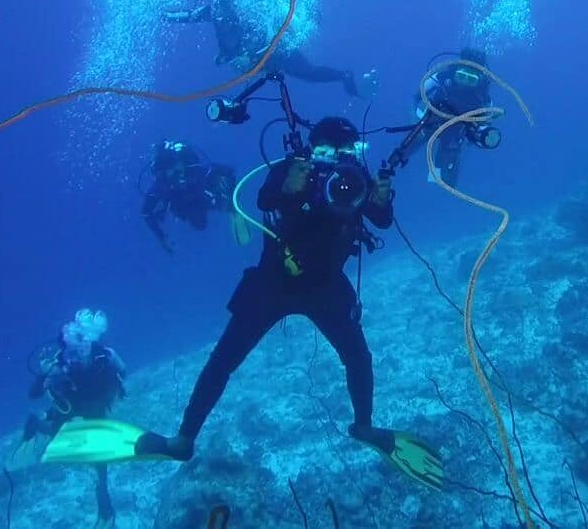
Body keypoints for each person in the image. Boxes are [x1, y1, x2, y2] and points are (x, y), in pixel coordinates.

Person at [41, 118, 443, 490]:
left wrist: (382, 199)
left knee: (358, 357)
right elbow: (262, 199)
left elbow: (380, 220)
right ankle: (183, 439)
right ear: (312, 148)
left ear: (354, 153)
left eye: (342, 153)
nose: (332, 162)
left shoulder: (356, 176)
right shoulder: (293, 167)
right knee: (224, 359)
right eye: (324, 152)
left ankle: (364, 427)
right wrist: (289, 186)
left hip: (324, 287)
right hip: (273, 282)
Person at [13, 310, 127, 529]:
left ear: (93, 340)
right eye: (74, 349)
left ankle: (105, 510)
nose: (79, 354)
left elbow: (124, 372)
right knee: (58, 436)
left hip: (95, 410)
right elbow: (33, 394)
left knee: (99, 456)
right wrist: (42, 375)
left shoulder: (106, 355)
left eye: (84, 347)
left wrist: (117, 387)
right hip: (68, 409)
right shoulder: (60, 363)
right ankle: (34, 424)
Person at [166, 0, 362, 97]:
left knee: (308, 73)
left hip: (277, 50)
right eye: (220, 14)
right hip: (252, 58)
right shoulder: (215, 11)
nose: (222, 18)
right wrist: (168, 17)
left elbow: (266, 40)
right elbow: (190, 16)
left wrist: (249, 56)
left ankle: (343, 75)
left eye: (227, 15)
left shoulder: (247, 18)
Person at [402, 47, 499, 187]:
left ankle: (437, 196)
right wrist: (415, 118)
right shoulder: (442, 77)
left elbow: (484, 126)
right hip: (430, 123)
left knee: (447, 181)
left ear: (479, 79)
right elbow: (414, 97)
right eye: (461, 76)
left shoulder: (483, 96)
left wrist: (481, 137)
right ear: (455, 71)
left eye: (471, 79)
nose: (464, 83)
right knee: (402, 152)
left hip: (455, 134)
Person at [142, 140, 246, 253]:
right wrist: (162, 238)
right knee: (200, 225)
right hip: (184, 205)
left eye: (178, 171)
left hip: (201, 193)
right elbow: (146, 212)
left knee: (217, 200)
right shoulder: (160, 186)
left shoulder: (196, 170)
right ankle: (225, 202)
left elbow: (228, 171)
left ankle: (228, 202)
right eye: (173, 174)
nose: (179, 178)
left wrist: (233, 194)